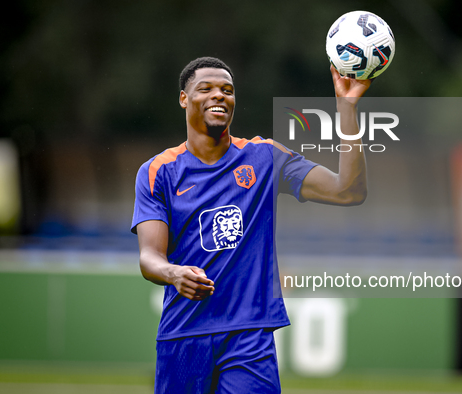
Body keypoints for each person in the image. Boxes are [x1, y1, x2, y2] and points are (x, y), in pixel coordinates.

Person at [131, 56, 371, 393]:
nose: (220, 96)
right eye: (206, 89)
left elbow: (349, 191)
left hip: (249, 337)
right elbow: (149, 257)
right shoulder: (158, 171)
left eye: (227, 90)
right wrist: (173, 273)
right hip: (184, 334)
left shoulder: (264, 157)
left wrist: (347, 109)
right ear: (184, 99)